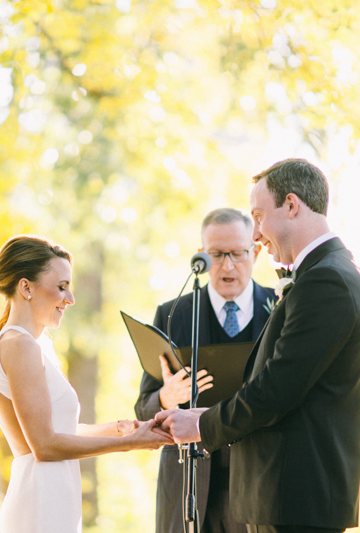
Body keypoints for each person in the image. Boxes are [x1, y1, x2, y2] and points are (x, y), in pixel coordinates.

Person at [155, 159, 360, 533]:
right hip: (281, 500)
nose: (256, 234)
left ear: (291, 205)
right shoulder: (321, 275)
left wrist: (202, 425)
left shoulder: (326, 282)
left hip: (297, 502)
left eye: (259, 216)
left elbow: (276, 390)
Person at [0, 235, 172, 533]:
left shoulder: (29, 346)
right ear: (26, 287)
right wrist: (128, 444)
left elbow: (54, 431)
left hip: (53, 496)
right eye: (61, 287)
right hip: (41, 501)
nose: (70, 299)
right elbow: (43, 445)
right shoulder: (19, 345)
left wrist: (119, 429)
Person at [135, 208, 275, 533]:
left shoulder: (280, 309)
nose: (227, 266)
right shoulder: (173, 315)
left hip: (259, 484)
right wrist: (166, 397)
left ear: (254, 251)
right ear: (202, 256)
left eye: (238, 254)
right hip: (189, 489)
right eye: (216, 254)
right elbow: (143, 407)